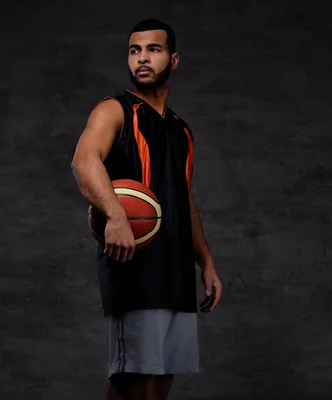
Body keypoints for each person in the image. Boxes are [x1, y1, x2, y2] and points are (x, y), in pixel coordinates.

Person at [71, 18, 222, 400]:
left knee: (162, 380)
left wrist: (206, 263)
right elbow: (85, 161)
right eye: (134, 50)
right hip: (133, 267)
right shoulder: (114, 110)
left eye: (153, 50)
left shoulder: (180, 129)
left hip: (175, 271)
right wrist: (117, 217)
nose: (142, 58)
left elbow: (183, 197)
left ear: (173, 60)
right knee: (131, 380)